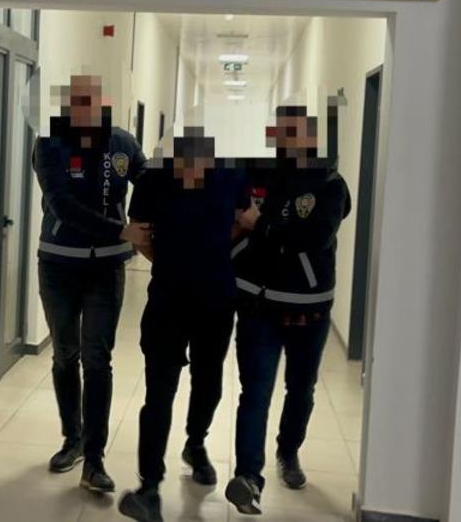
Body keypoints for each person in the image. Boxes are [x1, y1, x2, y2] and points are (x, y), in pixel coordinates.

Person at [225, 104, 352, 515]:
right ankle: (248, 476)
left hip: (308, 308)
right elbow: (233, 214)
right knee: (255, 391)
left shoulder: (330, 184)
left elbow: (313, 237)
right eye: (281, 131)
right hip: (256, 303)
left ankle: (288, 451)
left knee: (300, 389)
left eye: (295, 132)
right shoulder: (254, 173)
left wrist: (259, 225)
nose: (287, 139)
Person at [117, 128, 249, 522]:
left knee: (208, 383)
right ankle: (150, 487)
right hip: (167, 302)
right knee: (159, 394)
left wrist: (210, 251)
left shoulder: (230, 176)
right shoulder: (152, 180)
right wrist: (174, 260)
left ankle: (196, 443)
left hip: (216, 302)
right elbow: (140, 234)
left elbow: (243, 221)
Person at [32, 75, 148, 494]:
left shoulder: (123, 143)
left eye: (93, 101)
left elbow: (150, 183)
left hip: (106, 270)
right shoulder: (49, 144)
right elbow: (63, 205)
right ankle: (73, 439)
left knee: (97, 360)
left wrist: (147, 221)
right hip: (59, 265)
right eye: (78, 102)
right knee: (66, 354)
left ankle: (95, 461)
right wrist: (121, 230)